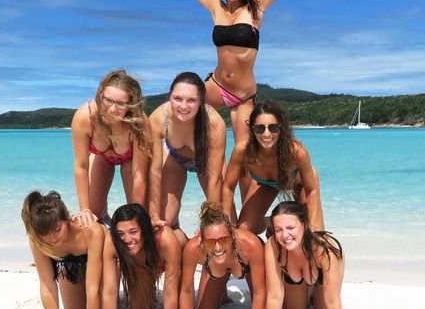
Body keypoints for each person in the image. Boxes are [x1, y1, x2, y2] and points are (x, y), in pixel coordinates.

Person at [142, 0, 345, 147]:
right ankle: (184, 158)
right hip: (216, 86)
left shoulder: (257, 6)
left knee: (244, 151)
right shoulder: (215, 7)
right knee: (176, 113)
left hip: (243, 95)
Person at [261, 201, 356, 309]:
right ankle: (305, 291)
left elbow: (333, 300)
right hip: (295, 278)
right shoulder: (273, 246)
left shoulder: (326, 250)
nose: (284, 235)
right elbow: (275, 295)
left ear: (304, 225)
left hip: (319, 278)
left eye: (290, 228)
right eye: (278, 230)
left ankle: (314, 292)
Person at [21, 190, 106, 309]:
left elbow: (92, 287)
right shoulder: (37, 240)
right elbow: (47, 286)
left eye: (57, 229)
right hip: (69, 267)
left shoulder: (89, 231)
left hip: (101, 265)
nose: (52, 238)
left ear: (67, 219)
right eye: (44, 234)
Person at [148, 72, 227, 246]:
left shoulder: (214, 123)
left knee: (224, 221)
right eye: (177, 99)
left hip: (206, 163)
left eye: (191, 100)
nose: (183, 106)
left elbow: (214, 178)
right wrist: (153, 213)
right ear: (170, 97)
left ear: (201, 101)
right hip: (175, 159)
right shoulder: (158, 118)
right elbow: (154, 171)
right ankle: (182, 243)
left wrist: (210, 222)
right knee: (164, 222)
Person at [222, 100, 324, 235]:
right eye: (260, 128)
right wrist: (226, 225)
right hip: (265, 185)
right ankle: (272, 223)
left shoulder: (297, 151)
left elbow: (311, 191)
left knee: (311, 233)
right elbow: (228, 188)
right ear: (252, 129)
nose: (266, 134)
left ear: (281, 128)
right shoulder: (243, 151)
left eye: (273, 128)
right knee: (245, 230)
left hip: (300, 185)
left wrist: (315, 228)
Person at [176, 201, 265, 309]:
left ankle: (266, 222)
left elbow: (259, 292)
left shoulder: (250, 245)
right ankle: (218, 285)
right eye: (210, 243)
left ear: (232, 236)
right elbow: (185, 291)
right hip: (215, 266)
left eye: (224, 240)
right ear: (202, 242)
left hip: (245, 264)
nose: (217, 247)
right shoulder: (193, 249)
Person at [71, 69, 151, 227]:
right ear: (100, 95)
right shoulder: (84, 117)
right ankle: (105, 219)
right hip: (101, 157)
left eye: (121, 104)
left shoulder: (139, 122)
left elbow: (139, 173)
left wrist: (138, 212)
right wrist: (84, 209)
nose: (112, 109)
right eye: (108, 100)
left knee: (137, 214)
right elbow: (81, 166)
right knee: (93, 215)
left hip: (131, 161)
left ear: (130, 105)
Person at [99, 203, 182, 309]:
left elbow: (170, 291)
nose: (127, 239)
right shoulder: (113, 242)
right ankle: (150, 292)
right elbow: (110, 290)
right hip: (143, 268)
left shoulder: (165, 240)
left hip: (177, 260)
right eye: (121, 233)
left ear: (144, 229)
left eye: (133, 231)